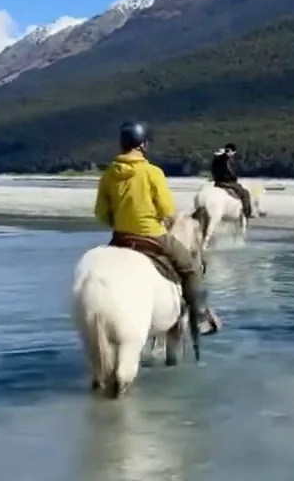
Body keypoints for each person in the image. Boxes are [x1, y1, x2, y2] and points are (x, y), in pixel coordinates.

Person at [94, 121, 220, 333]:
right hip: (152, 235)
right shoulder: (152, 172)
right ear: (142, 145)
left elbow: (100, 213)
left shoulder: (108, 175)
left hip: (120, 238)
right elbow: (166, 209)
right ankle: (199, 315)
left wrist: (120, 223)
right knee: (191, 268)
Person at [210, 142, 253, 219]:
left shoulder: (217, 158)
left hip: (217, 181)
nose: (233, 154)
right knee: (245, 193)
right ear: (230, 151)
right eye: (233, 152)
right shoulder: (225, 158)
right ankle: (247, 213)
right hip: (226, 182)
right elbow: (229, 171)